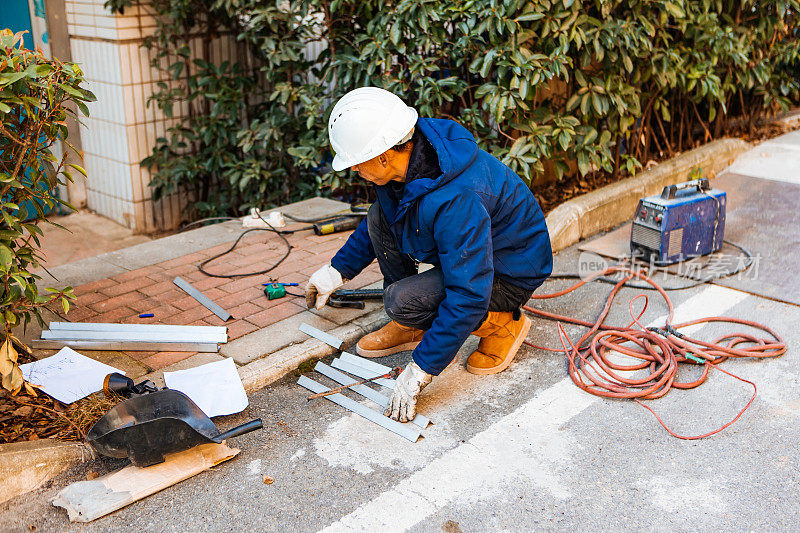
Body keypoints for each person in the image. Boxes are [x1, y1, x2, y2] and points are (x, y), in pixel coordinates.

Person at [305, 87, 553, 422]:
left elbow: (467, 295)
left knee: (403, 299)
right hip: (477, 253)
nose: (353, 171)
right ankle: (413, 325)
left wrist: (421, 370)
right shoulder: (408, 161)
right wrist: (337, 271)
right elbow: (384, 220)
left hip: (510, 271)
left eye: (356, 163)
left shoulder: (456, 198)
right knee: (380, 216)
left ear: (382, 155)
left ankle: (502, 327)